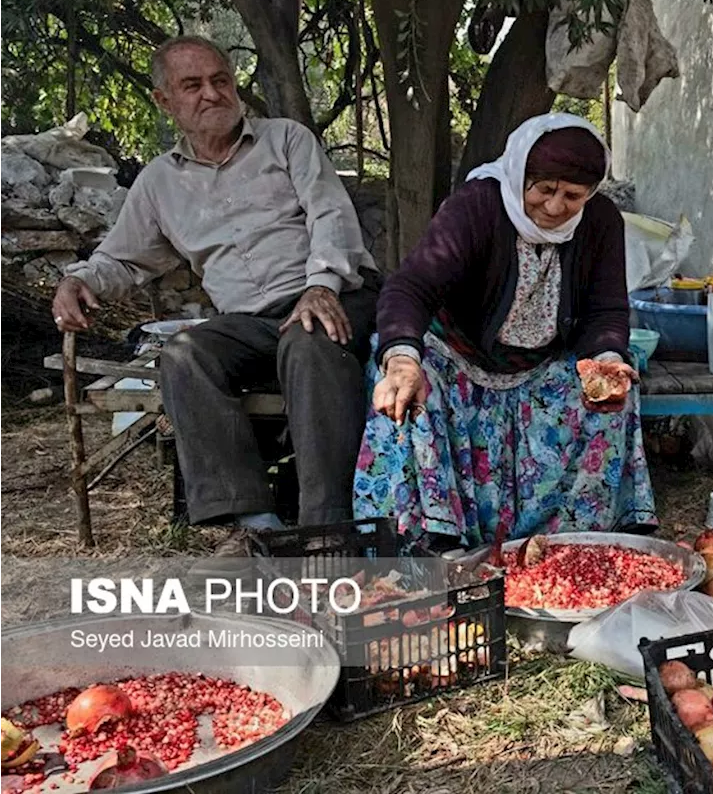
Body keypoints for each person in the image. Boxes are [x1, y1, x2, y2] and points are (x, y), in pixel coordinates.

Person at [50, 35, 380, 555]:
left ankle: (326, 531)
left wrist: (320, 285)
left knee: (309, 339)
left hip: (334, 294)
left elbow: (329, 213)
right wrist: (79, 280)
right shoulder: (159, 182)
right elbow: (124, 257)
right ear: (164, 101)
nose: (212, 93)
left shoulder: (286, 140)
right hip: (249, 321)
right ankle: (259, 524)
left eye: (220, 80)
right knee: (184, 355)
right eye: (192, 85)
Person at [353, 112, 657, 550]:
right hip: (457, 361)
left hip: (539, 368)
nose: (555, 207)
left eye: (573, 196)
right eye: (544, 190)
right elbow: (411, 287)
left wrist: (607, 358)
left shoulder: (601, 221)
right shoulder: (477, 207)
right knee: (408, 393)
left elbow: (605, 310)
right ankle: (429, 545)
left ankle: (573, 544)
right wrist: (402, 359)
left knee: (611, 392)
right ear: (519, 175)